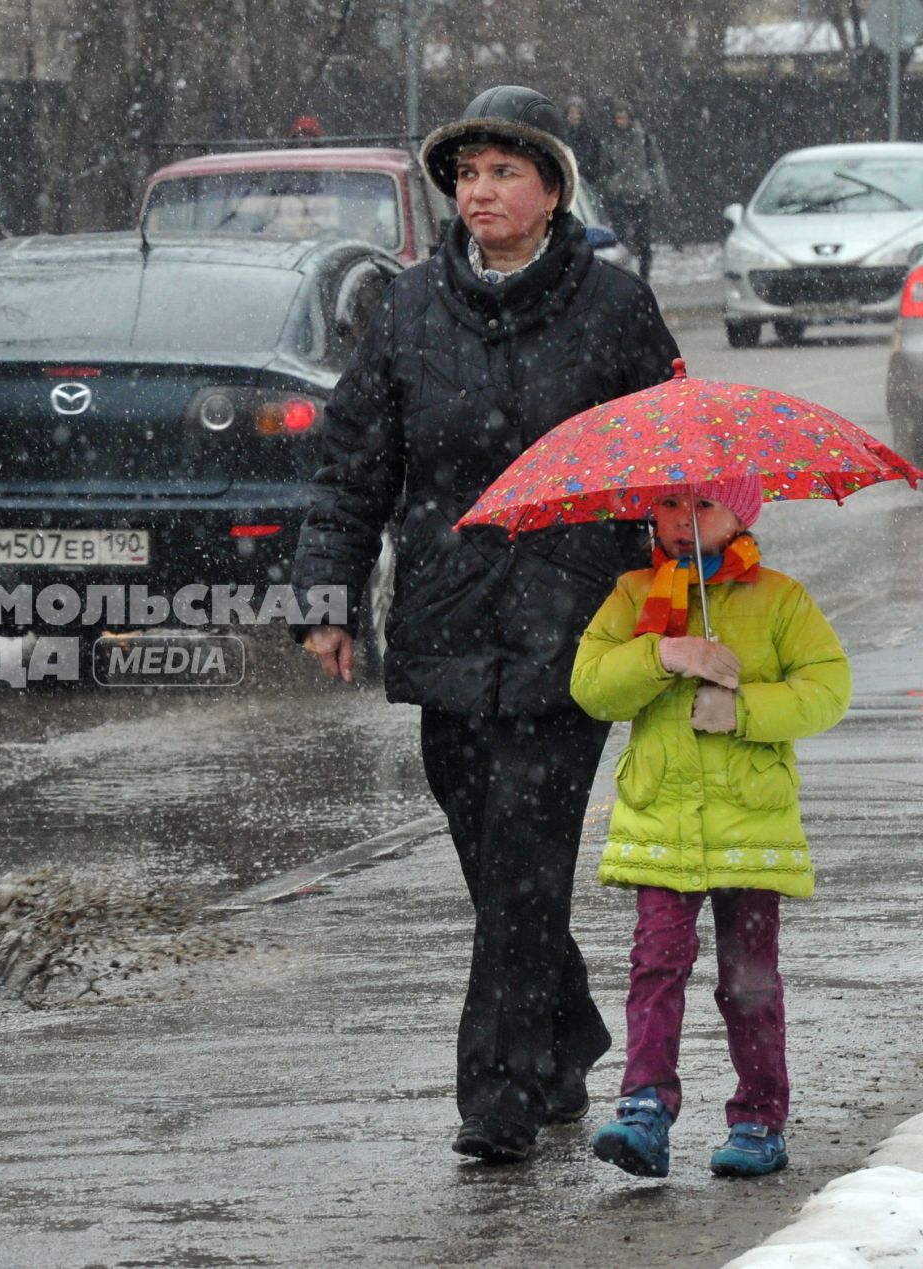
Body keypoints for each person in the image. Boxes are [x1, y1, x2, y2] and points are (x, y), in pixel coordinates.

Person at [288, 84, 681, 1165]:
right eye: (467, 174)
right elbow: (354, 464)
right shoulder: (410, 312)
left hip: (574, 630)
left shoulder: (615, 309)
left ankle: (497, 1099)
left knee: (522, 859)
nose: (482, 191)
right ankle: (573, 1031)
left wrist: (687, 588)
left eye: (506, 172)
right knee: (492, 859)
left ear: (554, 190)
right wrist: (326, 599)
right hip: (447, 624)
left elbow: (673, 463)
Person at [569, 480, 851, 1179]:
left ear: (740, 514)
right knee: (655, 966)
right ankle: (644, 1107)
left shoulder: (780, 599)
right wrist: (665, 655)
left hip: (750, 824)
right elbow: (591, 682)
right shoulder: (637, 597)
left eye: (702, 506)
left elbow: (828, 688)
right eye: (668, 505)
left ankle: (759, 1116)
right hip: (662, 821)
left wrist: (744, 708)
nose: (681, 520)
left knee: (748, 979)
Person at [595, 101, 668, 281]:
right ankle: (624, 274)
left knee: (642, 237)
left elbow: (655, 163)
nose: (621, 121)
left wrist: (660, 186)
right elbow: (605, 167)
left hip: (640, 193)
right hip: (618, 194)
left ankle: (644, 274)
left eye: (624, 117)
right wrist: (608, 186)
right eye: (618, 118)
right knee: (620, 237)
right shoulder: (610, 141)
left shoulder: (643, 139)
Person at [563, 97, 601, 186]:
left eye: (578, 113)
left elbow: (592, 157)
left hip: (585, 179)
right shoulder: (561, 131)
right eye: (571, 112)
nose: (574, 116)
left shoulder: (589, 133)